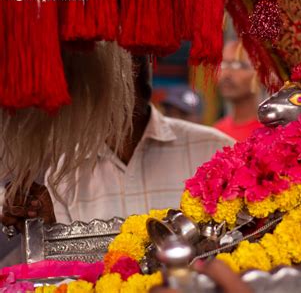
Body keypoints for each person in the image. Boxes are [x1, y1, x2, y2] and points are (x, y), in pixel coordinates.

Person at [1, 55, 234, 227]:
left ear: (144, 82)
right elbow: (68, 269)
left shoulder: (213, 149)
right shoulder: (64, 172)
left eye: (130, 72)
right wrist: (46, 224)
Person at [214, 41, 263, 142]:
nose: (227, 74)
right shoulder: (216, 131)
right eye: (223, 64)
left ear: (261, 75)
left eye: (240, 66)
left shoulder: (273, 132)